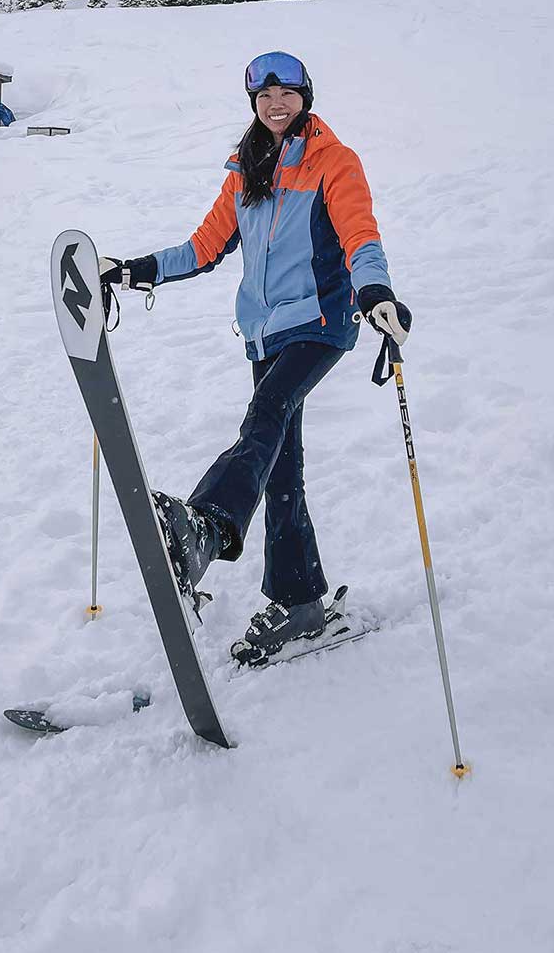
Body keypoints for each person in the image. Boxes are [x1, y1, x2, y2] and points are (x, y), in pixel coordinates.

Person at [100, 51, 410, 655]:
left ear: (306, 97)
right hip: (265, 333)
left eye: (287, 94)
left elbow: (359, 233)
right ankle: (301, 606)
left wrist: (375, 291)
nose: (276, 105)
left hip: (320, 324)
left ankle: (207, 527)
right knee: (280, 465)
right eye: (265, 96)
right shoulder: (246, 169)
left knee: (264, 418)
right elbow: (203, 247)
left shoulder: (333, 163)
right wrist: (134, 270)